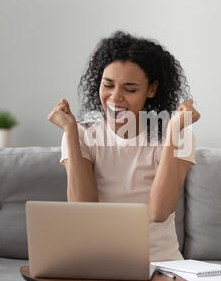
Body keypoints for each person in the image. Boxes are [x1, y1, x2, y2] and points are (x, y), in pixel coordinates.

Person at [47, 30, 200, 262]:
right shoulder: (83, 135)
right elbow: (83, 210)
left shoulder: (177, 136)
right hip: (99, 263)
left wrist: (172, 133)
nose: (115, 97)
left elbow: (159, 212)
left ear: (152, 89)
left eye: (130, 89)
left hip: (160, 263)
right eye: (108, 85)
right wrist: (70, 132)